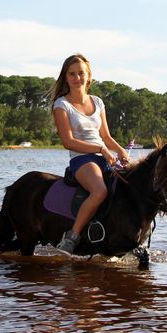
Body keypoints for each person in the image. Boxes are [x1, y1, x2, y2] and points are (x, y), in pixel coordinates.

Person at [50, 53, 131, 255]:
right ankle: (72, 237)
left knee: (132, 187)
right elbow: (68, 142)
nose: (77, 78)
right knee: (100, 191)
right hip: (82, 158)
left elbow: (106, 136)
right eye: (72, 74)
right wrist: (100, 149)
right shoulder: (61, 105)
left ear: (88, 76)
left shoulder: (97, 102)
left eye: (81, 73)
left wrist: (121, 151)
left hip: (105, 156)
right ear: (65, 77)